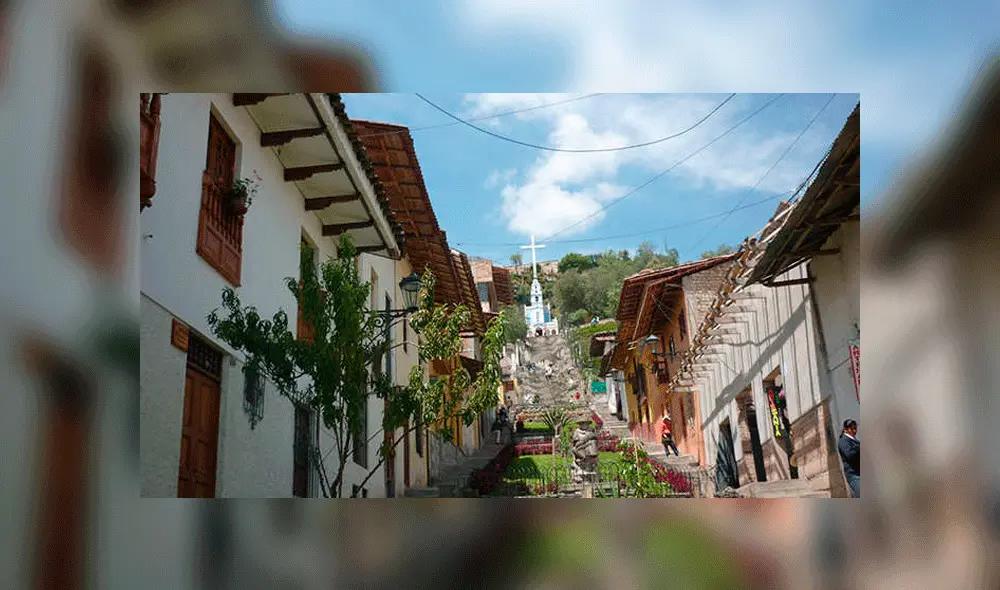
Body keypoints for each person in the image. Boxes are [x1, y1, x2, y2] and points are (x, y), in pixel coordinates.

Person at [838, 419, 860, 497]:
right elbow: (849, 454)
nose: (854, 431)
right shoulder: (844, 440)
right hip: (854, 475)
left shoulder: (854, 440)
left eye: (855, 428)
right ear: (846, 429)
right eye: (852, 429)